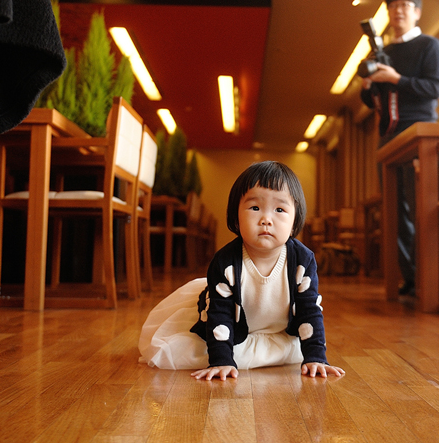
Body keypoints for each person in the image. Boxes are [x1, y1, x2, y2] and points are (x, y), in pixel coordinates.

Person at [139, 161, 345, 381]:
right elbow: (220, 314)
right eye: (255, 208)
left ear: (294, 221)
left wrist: (316, 357)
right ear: (236, 217)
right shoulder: (225, 262)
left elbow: (309, 311)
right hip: (229, 323)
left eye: (280, 209)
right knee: (204, 349)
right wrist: (221, 361)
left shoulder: (303, 261)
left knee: (298, 348)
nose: (266, 219)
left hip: (279, 328)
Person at [359, 0, 439, 296]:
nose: (398, 11)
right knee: (393, 211)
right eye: (393, 6)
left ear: (417, 12)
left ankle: (431, 278)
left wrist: (395, 78)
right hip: (388, 134)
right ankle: (410, 278)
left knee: (420, 205)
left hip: (419, 132)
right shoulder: (382, 51)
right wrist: (369, 85)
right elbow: (372, 100)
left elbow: (434, 88)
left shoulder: (430, 46)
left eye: (405, 5)